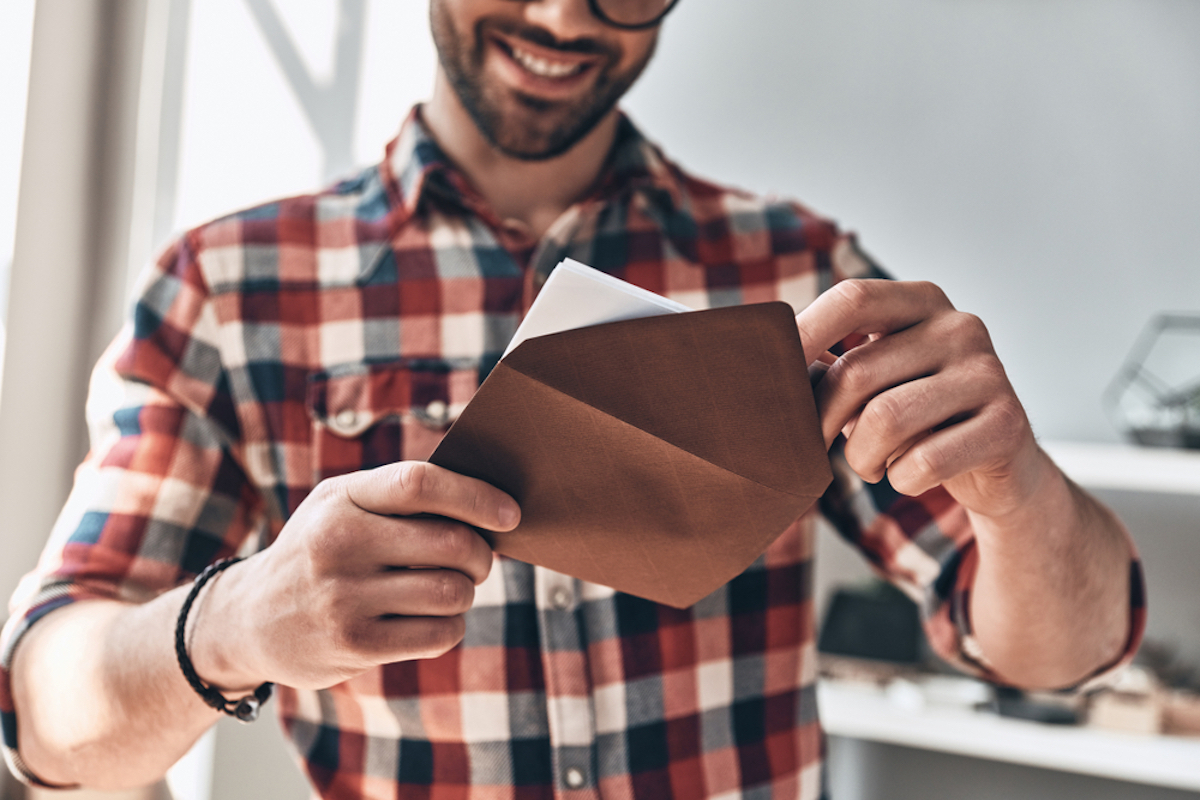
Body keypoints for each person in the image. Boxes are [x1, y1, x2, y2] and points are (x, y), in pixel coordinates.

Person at [1, 0, 1143, 797]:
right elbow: (44, 718)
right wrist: (238, 620)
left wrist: (1019, 491)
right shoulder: (227, 288)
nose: (564, 19)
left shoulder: (797, 273)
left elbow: (1059, 652)